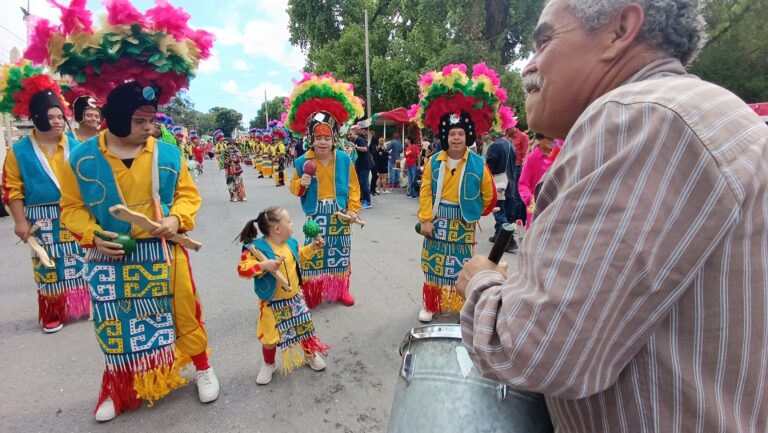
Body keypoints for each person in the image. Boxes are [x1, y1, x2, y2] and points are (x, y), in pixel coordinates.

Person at [457, 0, 768, 431]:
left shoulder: (636, 117)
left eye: (545, 41)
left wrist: (482, 282)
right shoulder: (715, 113)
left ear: (620, 30)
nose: (529, 65)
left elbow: (533, 349)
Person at [60, 80, 219, 421]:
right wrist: (93, 235)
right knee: (116, 323)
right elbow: (71, 208)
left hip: (164, 251)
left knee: (184, 311)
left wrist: (176, 219)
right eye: (139, 121)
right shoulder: (81, 158)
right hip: (110, 256)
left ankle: (202, 366)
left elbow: (187, 195)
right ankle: (118, 385)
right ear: (116, 118)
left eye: (152, 120)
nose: (149, 128)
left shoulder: (168, 153)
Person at [410, 62, 512, 323]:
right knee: (433, 265)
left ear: (468, 137)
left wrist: (476, 210)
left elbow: (489, 194)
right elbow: (425, 192)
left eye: (461, 134)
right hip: (437, 218)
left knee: (461, 266)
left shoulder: (478, 164)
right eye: (452, 134)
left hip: (463, 222)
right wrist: (426, 219)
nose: (456, 138)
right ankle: (430, 304)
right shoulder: (434, 161)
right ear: (445, 136)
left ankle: (461, 305)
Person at [1, 62, 90, 333]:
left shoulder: (75, 145)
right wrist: (20, 221)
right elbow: (12, 188)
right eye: (51, 117)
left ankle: (79, 305)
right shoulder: (19, 151)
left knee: (78, 262)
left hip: (73, 212)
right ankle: (54, 312)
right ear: (38, 117)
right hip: (40, 218)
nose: (58, 121)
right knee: (47, 267)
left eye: (60, 116)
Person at [286, 72, 363, 308]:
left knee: (341, 252)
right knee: (315, 252)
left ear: (334, 139)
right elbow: (293, 187)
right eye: (318, 137)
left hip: (340, 212)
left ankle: (341, 289)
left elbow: (354, 187)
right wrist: (301, 183)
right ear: (311, 138)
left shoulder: (344, 159)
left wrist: (353, 209)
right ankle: (313, 291)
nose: (322, 142)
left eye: (327, 138)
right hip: (316, 213)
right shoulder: (302, 162)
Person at [236, 207, 331, 384]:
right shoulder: (256, 249)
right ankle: (269, 364)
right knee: (269, 338)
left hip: (295, 298)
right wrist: (263, 266)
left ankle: (309, 355)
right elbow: (242, 269)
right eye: (289, 221)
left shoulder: (291, 243)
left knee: (305, 330)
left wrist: (313, 247)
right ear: (277, 229)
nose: (292, 224)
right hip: (272, 303)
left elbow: (299, 256)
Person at [485, 129, 518, 251]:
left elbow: (490, 166)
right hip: (510, 182)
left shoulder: (494, 146)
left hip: (499, 182)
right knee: (507, 211)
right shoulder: (511, 145)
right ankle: (498, 234)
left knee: (499, 210)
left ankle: (508, 240)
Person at [517, 133, 555, 229]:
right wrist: (530, 199)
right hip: (535, 205)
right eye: (549, 138)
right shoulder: (532, 158)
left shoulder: (558, 156)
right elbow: (523, 184)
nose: (552, 141)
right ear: (539, 139)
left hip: (554, 205)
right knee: (535, 232)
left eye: (554, 138)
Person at [352, 128, 373, 208]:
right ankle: (362, 199)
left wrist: (355, 147)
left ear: (355, 134)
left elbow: (365, 149)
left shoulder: (359, 139)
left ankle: (367, 202)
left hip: (364, 165)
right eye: (348, 134)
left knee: (364, 183)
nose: (349, 136)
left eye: (351, 134)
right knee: (361, 183)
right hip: (360, 165)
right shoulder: (356, 141)